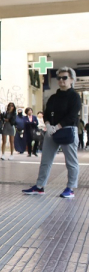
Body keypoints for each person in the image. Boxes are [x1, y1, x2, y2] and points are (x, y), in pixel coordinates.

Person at [23, 67, 81, 198]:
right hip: (51, 131)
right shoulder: (53, 97)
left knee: (71, 162)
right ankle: (39, 186)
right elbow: (47, 113)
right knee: (46, 160)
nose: (61, 80)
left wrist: (58, 126)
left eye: (64, 77)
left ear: (71, 79)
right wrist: (48, 125)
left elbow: (72, 116)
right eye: (59, 78)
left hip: (67, 131)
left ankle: (70, 188)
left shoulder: (74, 96)